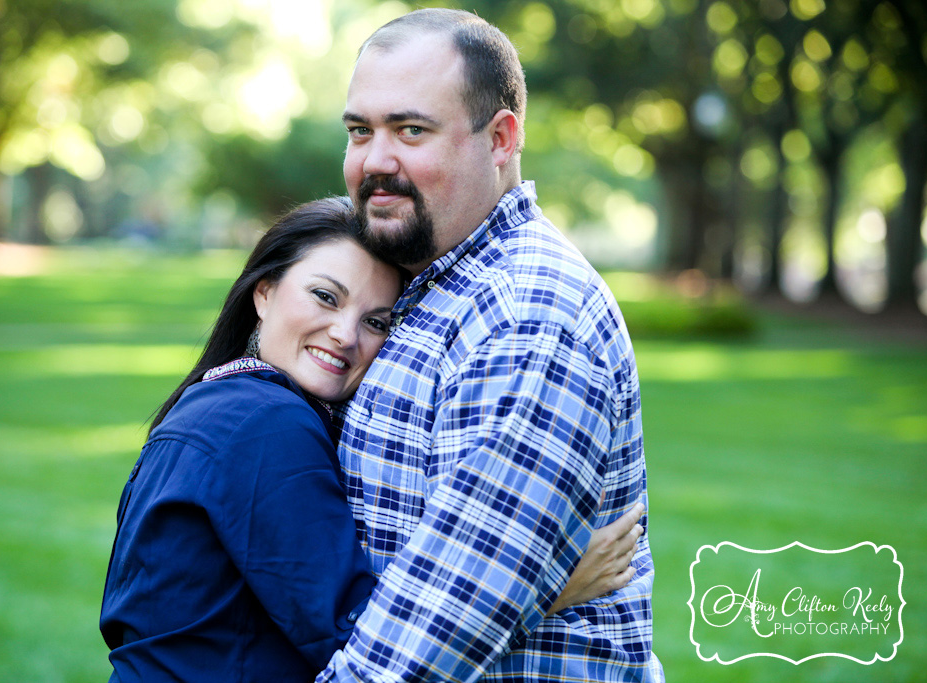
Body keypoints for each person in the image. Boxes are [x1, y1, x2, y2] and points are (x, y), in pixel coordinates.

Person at [99, 197, 645, 682]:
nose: (345, 334)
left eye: (377, 321)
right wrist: (547, 586)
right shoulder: (266, 426)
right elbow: (361, 637)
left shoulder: (214, 404)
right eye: (325, 297)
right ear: (263, 292)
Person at [318, 8, 663, 682]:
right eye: (361, 131)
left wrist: (512, 595)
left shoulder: (528, 317)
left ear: (501, 138)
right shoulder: (416, 284)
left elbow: (426, 646)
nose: (375, 161)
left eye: (411, 129)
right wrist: (541, 589)